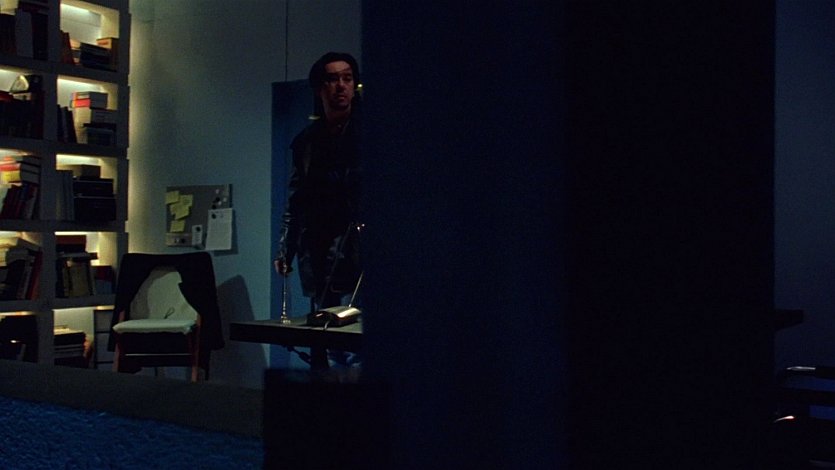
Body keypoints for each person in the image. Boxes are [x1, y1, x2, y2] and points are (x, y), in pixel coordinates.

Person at [274, 52, 363, 337]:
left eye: (347, 78)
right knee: (326, 331)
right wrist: (285, 249)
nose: (341, 86)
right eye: (333, 79)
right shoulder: (307, 142)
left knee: (356, 331)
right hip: (320, 248)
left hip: (359, 246)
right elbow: (296, 199)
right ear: (319, 88)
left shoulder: (369, 133)